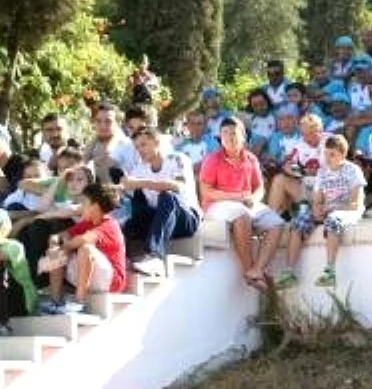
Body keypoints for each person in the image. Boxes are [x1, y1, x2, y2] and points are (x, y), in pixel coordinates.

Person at [198, 116, 284, 290]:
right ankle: (248, 269)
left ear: (243, 136)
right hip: (217, 204)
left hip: (245, 202)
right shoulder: (212, 159)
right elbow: (206, 191)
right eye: (225, 133)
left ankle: (257, 270)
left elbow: (259, 187)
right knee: (241, 214)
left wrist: (254, 199)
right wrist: (236, 197)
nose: (229, 137)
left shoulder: (251, 158)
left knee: (277, 223)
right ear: (220, 138)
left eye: (233, 133)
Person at [275, 134, 365, 291]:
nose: (328, 158)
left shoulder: (353, 170)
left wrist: (332, 208)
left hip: (347, 210)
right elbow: (317, 200)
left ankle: (330, 271)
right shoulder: (322, 173)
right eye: (326, 153)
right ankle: (289, 272)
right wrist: (317, 210)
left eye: (332, 154)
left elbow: (354, 203)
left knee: (332, 221)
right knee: (298, 223)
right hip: (327, 208)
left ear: (342, 154)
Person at [122, 126, 202, 276]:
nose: (140, 150)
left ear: (157, 142)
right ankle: (121, 262)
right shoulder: (139, 168)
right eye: (137, 147)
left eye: (144, 144)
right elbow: (126, 190)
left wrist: (140, 183)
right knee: (131, 219)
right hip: (160, 218)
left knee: (167, 196)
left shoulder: (177, 159)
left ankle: (155, 256)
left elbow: (176, 186)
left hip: (186, 218)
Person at [42, 180, 128, 309]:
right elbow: (60, 235)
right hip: (92, 276)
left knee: (85, 248)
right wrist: (54, 244)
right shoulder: (88, 222)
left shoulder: (110, 225)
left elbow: (83, 240)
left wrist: (63, 247)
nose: (80, 206)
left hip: (110, 281)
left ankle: (79, 302)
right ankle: (55, 300)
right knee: (58, 250)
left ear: (95, 206)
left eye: (84, 202)